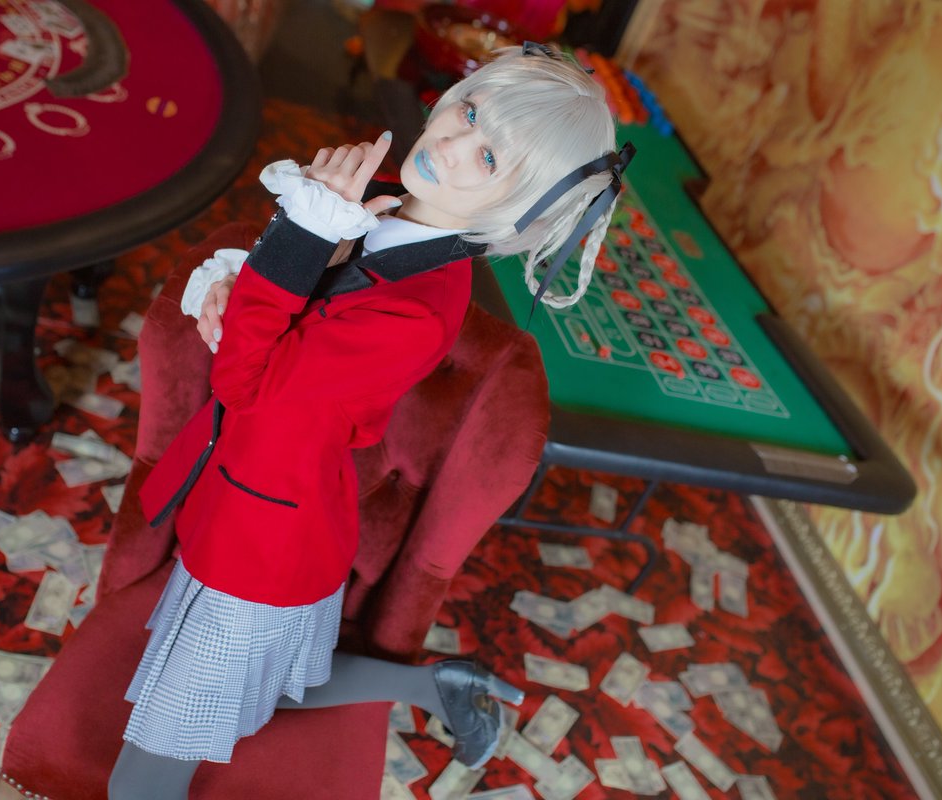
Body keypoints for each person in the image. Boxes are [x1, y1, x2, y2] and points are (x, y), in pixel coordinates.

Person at [106, 44, 632, 800]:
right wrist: (234, 281)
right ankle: (436, 687)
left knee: (138, 784)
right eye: (469, 110)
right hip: (264, 502)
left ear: (519, 209)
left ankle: (435, 687)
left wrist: (299, 237)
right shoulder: (381, 199)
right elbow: (281, 306)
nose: (450, 142)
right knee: (263, 688)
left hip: (262, 547)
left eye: (488, 157)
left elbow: (247, 380)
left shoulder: (419, 312)